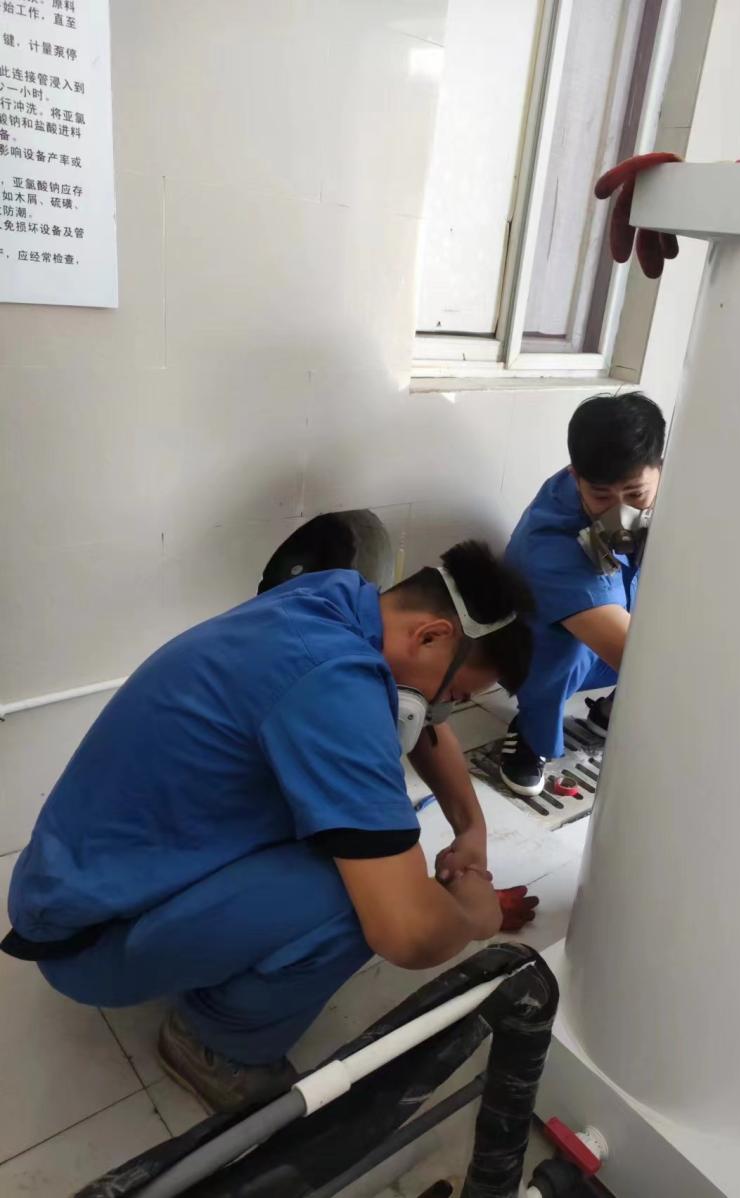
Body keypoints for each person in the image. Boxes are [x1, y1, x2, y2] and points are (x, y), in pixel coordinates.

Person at [1, 541, 534, 1112]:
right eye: (452, 694)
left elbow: (421, 719)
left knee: (354, 846)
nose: (441, 709)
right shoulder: (333, 682)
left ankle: (199, 952)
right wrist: (473, 914)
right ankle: (214, 1046)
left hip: (68, 886)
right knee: (362, 899)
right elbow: (408, 933)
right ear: (430, 636)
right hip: (87, 945)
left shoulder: (334, 600)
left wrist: (470, 828)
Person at [501, 392, 666, 796]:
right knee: (577, 648)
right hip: (542, 648)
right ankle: (532, 731)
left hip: (615, 622)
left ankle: (611, 710)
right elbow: (636, 658)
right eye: (601, 496)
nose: (620, 512)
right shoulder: (550, 546)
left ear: (663, 470)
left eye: (636, 494)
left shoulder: (670, 492)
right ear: (575, 476)